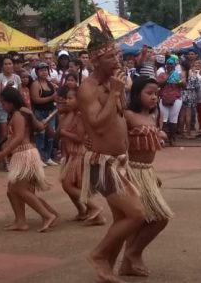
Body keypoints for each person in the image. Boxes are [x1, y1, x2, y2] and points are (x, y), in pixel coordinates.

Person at [78, 17, 145, 283]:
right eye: (111, 57)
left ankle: (107, 268)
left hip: (119, 161)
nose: (118, 61)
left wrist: (119, 92)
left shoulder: (111, 83)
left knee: (122, 217)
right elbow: (95, 123)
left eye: (118, 55)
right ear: (96, 61)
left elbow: (120, 114)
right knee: (136, 214)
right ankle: (98, 255)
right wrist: (116, 93)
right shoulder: (87, 88)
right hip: (101, 164)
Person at [119, 77, 174, 278]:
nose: (153, 97)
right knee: (156, 218)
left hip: (148, 172)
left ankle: (128, 260)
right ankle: (133, 255)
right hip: (132, 172)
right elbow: (120, 144)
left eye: (155, 94)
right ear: (136, 94)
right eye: (148, 93)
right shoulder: (127, 115)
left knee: (146, 220)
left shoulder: (151, 117)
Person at [0, 88, 58, 232]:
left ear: (10, 102)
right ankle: (21, 221)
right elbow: (39, 127)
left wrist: (3, 154)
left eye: (3, 103)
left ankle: (47, 215)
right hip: (24, 153)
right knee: (13, 190)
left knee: (19, 189)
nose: (2, 106)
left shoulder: (18, 114)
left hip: (24, 154)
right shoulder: (24, 112)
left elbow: (19, 137)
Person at [56, 86, 104, 224]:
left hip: (80, 154)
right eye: (66, 99)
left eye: (70, 98)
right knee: (72, 186)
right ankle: (88, 213)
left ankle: (95, 208)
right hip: (72, 155)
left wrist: (64, 133)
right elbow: (58, 135)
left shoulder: (81, 115)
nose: (67, 101)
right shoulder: (68, 115)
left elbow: (79, 138)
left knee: (68, 185)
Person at [31, 62, 58, 165]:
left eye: (45, 70)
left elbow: (55, 95)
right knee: (40, 135)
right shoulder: (35, 84)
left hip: (51, 112)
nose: (44, 72)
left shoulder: (50, 83)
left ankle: (47, 157)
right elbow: (35, 100)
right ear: (37, 72)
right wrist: (51, 97)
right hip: (39, 112)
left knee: (50, 134)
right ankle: (39, 158)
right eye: (41, 70)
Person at [157, 57, 184, 145]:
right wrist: (168, 76)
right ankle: (163, 139)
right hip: (164, 98)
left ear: (174, 65)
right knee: (163, 119)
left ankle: (172, 139)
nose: (169, 66)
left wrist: (178, 81)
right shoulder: (162, 74)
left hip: (176, 98)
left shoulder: (179, 74)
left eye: (171, 64)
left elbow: (184, 84)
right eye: (168, 64)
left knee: (173, 119)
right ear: (166, 65)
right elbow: (159, 84)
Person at [0, 57, 21, 146]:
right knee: (4, 133)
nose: (8, 66)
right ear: (2, 66)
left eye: (10, 63)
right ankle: (3, 155)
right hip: (2, 107)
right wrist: (7, 87)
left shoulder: (17, 77)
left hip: (15, 108)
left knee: (15, 131)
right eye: (5, 64)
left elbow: (19, 94)